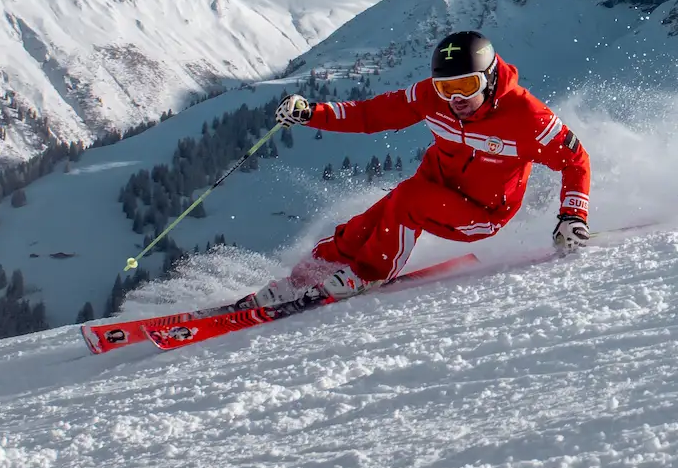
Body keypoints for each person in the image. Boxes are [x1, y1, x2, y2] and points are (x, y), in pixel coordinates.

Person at [251, 30, 592, 309]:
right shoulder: (429, 97)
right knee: (365, 224)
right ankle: (305, 276)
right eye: (447, 88)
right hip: (432, 189)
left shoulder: (527, 116)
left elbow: (575, 160)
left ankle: (369, 272)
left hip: (482, 213)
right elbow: (373, 114)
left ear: (488, 79)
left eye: (466, 86)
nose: (456, 98)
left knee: (408, 199)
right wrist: (314, 112)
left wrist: (572, 216)